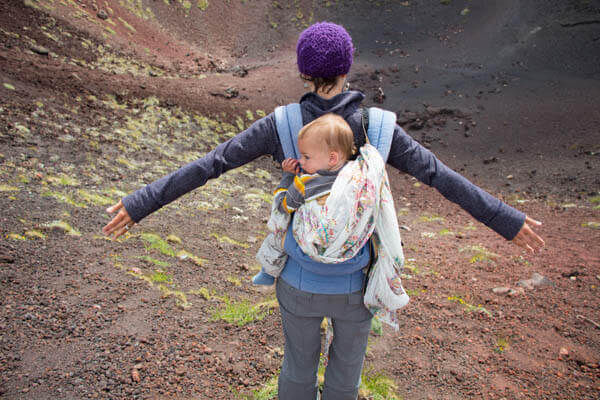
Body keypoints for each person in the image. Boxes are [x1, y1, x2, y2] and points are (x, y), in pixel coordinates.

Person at [103, 21, 544, 400]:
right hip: (357, 286)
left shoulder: (280, 125)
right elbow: (439, 176)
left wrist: (140, 203)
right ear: (347, 68)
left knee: (297, 371)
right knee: (345, 378)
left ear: (303, 72)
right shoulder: (378, 127)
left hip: (298, 282)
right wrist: (506, 220)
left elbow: (211, 164)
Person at [252, 113, 358, 287]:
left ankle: (268, 272)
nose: (301, 161)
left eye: (306, 157)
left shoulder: (306, 183)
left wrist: (287, 177)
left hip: (312, 237)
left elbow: (284, 206)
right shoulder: (356, 176)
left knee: (278, 232)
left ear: (332, 158)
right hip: (345, 240)